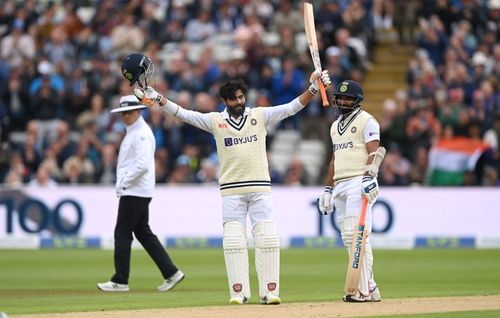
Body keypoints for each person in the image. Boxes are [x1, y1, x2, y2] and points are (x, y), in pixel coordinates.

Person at [122, 53, 331, 304]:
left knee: (267, 237)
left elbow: (291, 107)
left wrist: (312, 88)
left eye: (242, 97)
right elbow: (184, 114)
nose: (239, 101)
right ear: (225, 101)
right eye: (234, 98)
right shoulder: (215, 121)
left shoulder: (259, 116)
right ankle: (239, 293)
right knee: (234, 241)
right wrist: (159, 99)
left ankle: (270, 292)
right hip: (231, 190)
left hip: (260, 187)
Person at [97, 95, 184, 292]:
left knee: (122, 233)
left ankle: (120, 280)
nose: (125, 116)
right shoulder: (135, 132)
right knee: (143, 232)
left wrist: (124, 183)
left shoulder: (141, 134)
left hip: (135, 190)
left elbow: (142, 165)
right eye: (122, 113)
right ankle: (171, 272)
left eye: (128, 112)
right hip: (137, 189)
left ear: (138, 111)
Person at [318, 80, 385, 302]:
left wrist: (369, 177)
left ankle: (362, 289)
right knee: (349, 238)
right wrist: (328, 188)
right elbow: (335, 158)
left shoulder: (367, 121)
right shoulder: (334, 126)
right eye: (341, 97)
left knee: (358, 236)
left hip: (359, 181)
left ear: (357, 100)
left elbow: (375, 152)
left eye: (348, 98)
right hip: (340, 184)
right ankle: (371, 285)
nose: (343, 101)